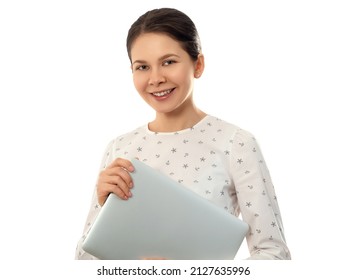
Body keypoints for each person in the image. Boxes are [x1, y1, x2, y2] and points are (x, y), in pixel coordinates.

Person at [75, 7, 291, 260]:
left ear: (197, 64)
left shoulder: (236, 143)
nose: (155, 78)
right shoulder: (119, 148)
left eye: (168, 62)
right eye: (142, 67)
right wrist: (104, 208)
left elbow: (273, 254)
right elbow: (84, 262)